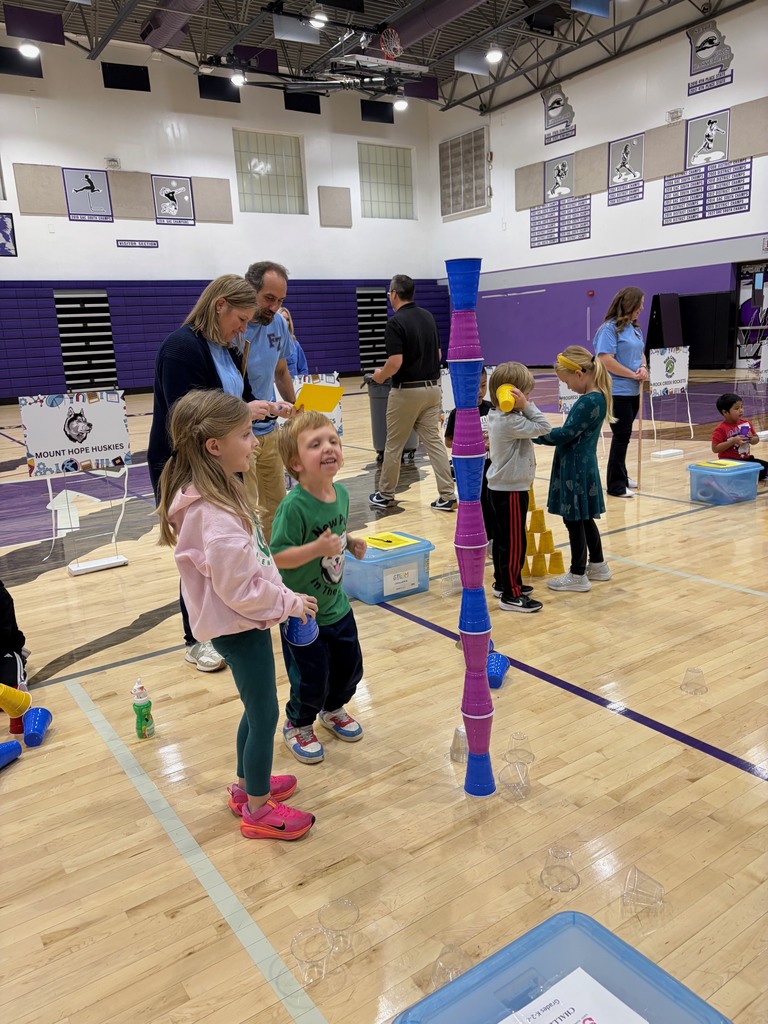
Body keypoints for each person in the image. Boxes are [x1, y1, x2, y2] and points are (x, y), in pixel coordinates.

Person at [156, 390, 318, 841]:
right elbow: (240, 590)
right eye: (246, 435)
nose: (255, 443)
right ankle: (259, 810)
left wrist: (279, 591)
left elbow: (254, 564)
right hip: (237, 625)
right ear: (214, 446)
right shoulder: (216, 516)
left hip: (237, 621)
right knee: (265, 714)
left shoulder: (219, 488)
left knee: (256, 707)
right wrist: (289, 603)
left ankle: (247, 786)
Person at [148, 274, 284, 673]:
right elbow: (189, 417)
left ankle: (227, 622)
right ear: (219, 304)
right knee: (198, 550)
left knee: (227, 548)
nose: (244, 329)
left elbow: (233, 400)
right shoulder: (180, 348)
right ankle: (196, 637)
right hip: (190, 467)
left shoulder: (225, 348)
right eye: (240, 319)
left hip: (222, 461)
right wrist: (244, 413)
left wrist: (263, 407)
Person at [271, 411, 367, 765]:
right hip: (302, 613)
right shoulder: (293, 506)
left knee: (349, 668)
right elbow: (278, 556)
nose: (329, 448)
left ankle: (334, 708)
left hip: (338, 606)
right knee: (311, 676)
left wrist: (351, 542)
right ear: (296, 462)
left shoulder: (340, 493)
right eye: (316, 444)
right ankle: (298, 724)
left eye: (333, 441)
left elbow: (335, 536)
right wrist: (317, 550)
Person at [368, 275, 457, 512]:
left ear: (394, 294)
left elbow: (395, 362)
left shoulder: (395, 323)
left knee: (394, 445)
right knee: (434, 443)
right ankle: (447, 495)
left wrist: (380, 375)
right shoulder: (428, 317)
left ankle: (385, 494)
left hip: (406, 391)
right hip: (432, 389)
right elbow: (437, 355)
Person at [534, 347, 614, 593]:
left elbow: (566, 434)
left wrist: (533, 433)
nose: (567, 387)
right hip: (581, 464)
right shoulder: (595, 397)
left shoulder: (589, 400)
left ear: (580, 374)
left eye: (566, 381)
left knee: (574, 520)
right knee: (584, 516)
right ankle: (598, 564)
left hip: (576, 468)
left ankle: (578, 573)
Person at [486, 363, 552, 613]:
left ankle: (504, 582)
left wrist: (521, 406)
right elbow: (544, 427)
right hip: (511, 490)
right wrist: (527, 407)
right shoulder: (511, 421)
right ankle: (511, 594)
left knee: (505, 540)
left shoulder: (498, 416)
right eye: (525, 394)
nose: (528, 399)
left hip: (503, 488)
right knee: (514, 543)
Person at [242, 261, 298, 542]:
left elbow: (281, 370)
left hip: (270, 432)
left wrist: (294, 406)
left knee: (276, 506)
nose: (274, 307)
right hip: (241, 433)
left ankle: (273, 568)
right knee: (245, 508)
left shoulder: (277, 323)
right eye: (269, 298)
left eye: (280, 301)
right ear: (250, 290)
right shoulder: (234, 327)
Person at [593, 286, 648, 498]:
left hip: (634, 391)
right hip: (617, 391)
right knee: (621, 436)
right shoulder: (609, 329)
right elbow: (605, 359)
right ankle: (615, 485)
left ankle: (622, 476)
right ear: (629, 304)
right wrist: (630, 374)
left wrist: (643, 368)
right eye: (639, 304)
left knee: (624, 435)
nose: (642, 308)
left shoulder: (635, 328)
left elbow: (640, 353)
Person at [444, 368, 494, 547]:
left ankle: (493, 537)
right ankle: (481, 536)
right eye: (475, 387)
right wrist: (471, 440)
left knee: (491, 501)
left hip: (492, 466)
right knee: (478, 503)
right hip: (471, 469)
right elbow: (448, 442)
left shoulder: (492, 409)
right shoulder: (458, 413)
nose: (480, 391)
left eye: (483, 386)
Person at [711, 393, 768, 479]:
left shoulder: (746, 423)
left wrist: (752, 438)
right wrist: (733, 441)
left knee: (764, 467)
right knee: (742, 474)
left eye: (742, 407)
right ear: (725, 412)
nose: (741, 410)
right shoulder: (720, 429)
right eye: (737, 408)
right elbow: (715, 448)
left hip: (746, 460)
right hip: (729, 463)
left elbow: (756, 439)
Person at [279, 307, 310, 377]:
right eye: (283, 318)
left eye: (287, 319)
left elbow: (303, 369)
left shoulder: (295, 344)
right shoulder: (269, 343)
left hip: (294, 385)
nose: (286, 321)